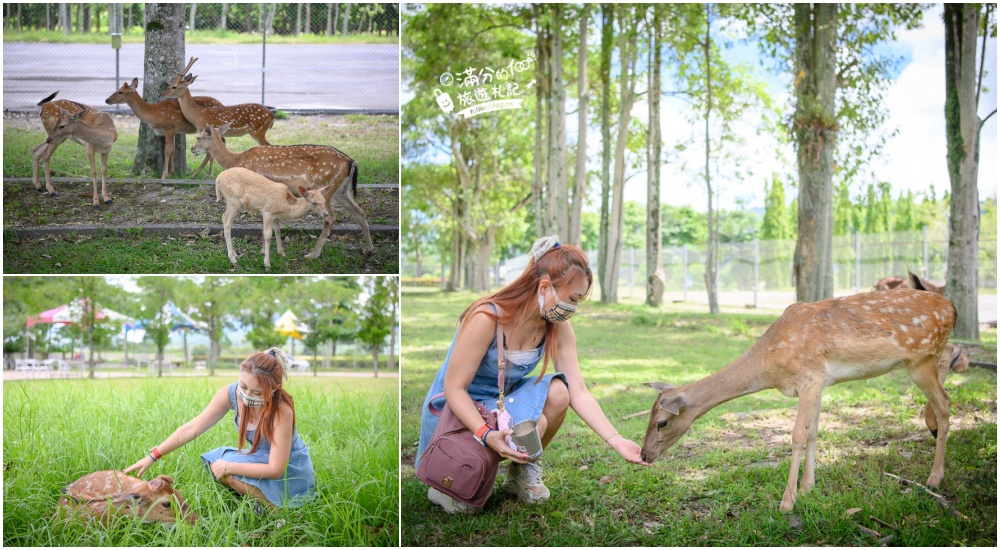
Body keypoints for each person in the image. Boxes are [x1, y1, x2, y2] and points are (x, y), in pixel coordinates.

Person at [416, 236, 648, 514]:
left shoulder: (557, 326)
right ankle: (446, 475)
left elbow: (579, 391)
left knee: (558, 392)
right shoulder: (486, 317)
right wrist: (486, 434)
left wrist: (616, 439)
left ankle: (521, 471)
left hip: (500, 406)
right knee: (465, 508)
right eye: (573, 299)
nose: (573, 309)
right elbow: (455, 389)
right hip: (456, 411)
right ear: (545, 286)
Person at [125, 347, 315, 509]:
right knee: (214, 463)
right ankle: (256, 496)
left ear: (274, 389)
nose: (247, 395)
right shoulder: (231, 393)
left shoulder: (281, 410)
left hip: (288, 467)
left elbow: (275, 469)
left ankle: (275, 510)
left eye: (257, 392)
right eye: (244, 386)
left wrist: (229, 467)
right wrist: (154, 455)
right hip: (257, 455)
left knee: (226, 470)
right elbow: (193, 427)